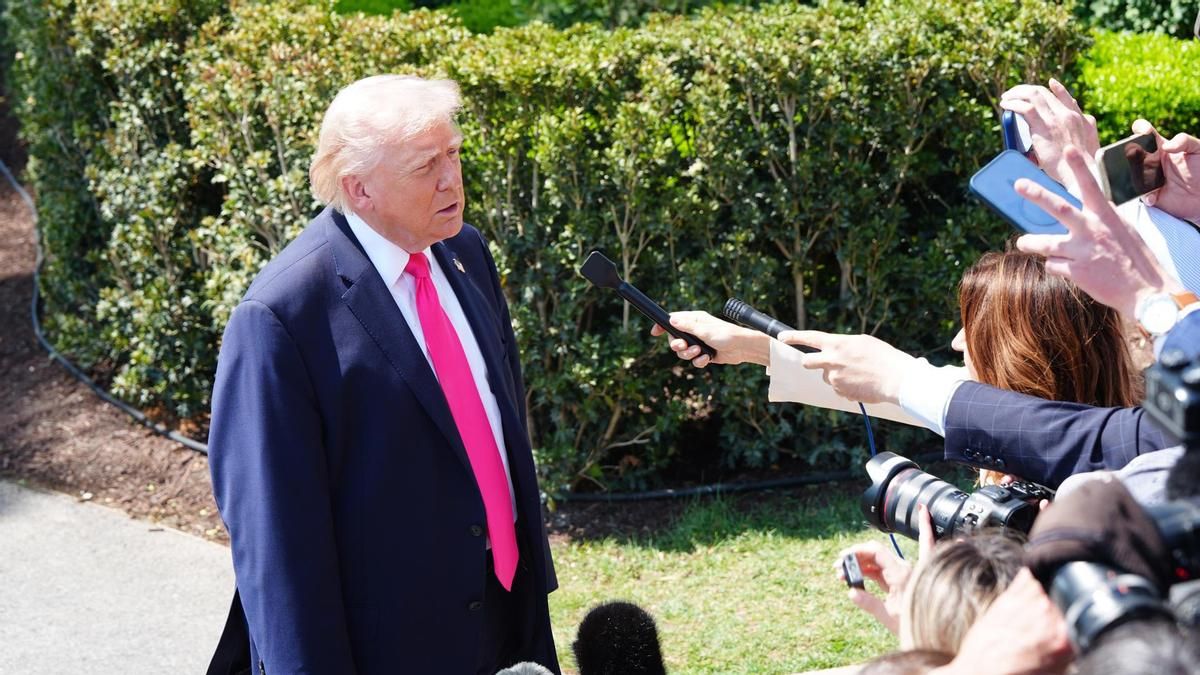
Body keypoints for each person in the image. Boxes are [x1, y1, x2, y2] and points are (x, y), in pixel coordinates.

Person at [207, 75, 559, 674]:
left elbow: (497, 422)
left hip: (506, 611)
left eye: (453, 153)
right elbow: (277, 545)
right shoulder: (281, 316)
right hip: (388, 647)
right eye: (425, 165)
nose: (451, 179)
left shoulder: (465, 252)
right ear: (359, 188)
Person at [653, 245, 1141, 487]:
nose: (957, 342)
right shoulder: (1125, 425)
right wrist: (752, 347)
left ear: (1024, 351)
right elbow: (910, 393)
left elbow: (919, 391)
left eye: (974, 330)